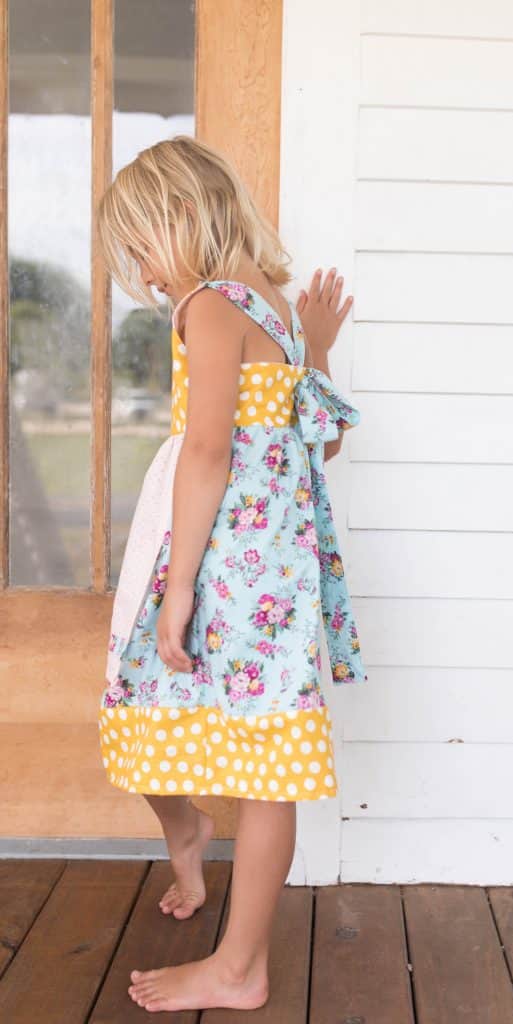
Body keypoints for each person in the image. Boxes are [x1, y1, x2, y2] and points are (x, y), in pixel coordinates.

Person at [96, 135, 367, 1013]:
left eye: (141, 246)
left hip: (225, 565)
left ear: (182, 216)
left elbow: (210, 447)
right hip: (273, 571)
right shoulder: (276, 308)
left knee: (151, 698)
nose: (143, 270)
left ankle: (238, 965)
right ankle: (189, 827)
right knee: (257, 757)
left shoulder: (211, 306)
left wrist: (175, 591)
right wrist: (315, 348)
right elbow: (318, 437)